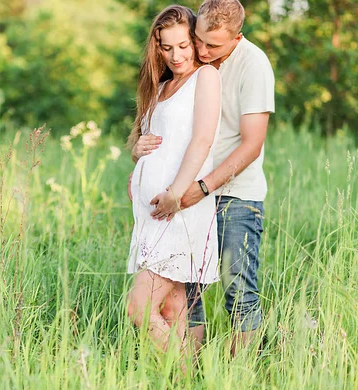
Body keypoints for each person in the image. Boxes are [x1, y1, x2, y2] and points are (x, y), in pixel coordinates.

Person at [133, 0, 275, 356]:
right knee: (189, 296)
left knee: (237, 290)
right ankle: (190, 373)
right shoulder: (186, 66)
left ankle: (239, 375)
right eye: (198, 40)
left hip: (233, 194)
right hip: (188, 197)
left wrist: (200, 188)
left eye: (212, 46)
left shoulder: (252, 65)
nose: (201, 51)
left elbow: (252, 143)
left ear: (237, 38)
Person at [126, 4, 221, 357]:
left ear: (194, 41)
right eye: (166, 47)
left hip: (177, 211)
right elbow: (152, 144)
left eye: (183, 45)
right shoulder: (162, 86)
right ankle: (183, 378)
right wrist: (137, 154)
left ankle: (181, 372)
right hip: (152, 217)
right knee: (171, 309)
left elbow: (201, 140)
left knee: (138, 308)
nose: (176, 55)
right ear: (157, 46)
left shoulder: (205, 76)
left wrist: (176, 194)